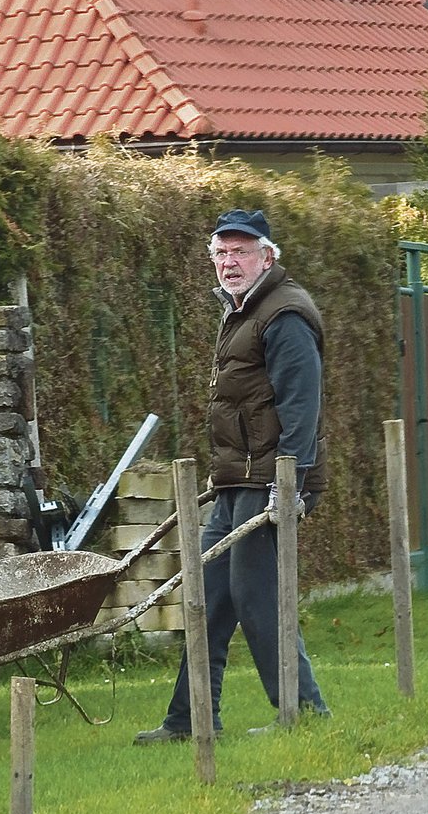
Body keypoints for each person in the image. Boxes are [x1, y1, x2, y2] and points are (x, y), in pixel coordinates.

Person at [134, 208, 331, 744]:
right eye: (221, 253)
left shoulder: (284, 315)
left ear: (268, 256)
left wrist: (286, 489)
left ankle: (305, 714)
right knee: (209, 596)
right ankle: (189, 719)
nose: (229, 262)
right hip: (236, 481)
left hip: (272, 482)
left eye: (241, 251)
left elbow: (301, 406)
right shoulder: (240, 312)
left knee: (256, 597)